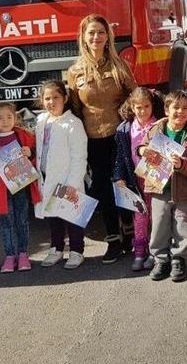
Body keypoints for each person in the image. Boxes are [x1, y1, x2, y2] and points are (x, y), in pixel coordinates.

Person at [67, 14, 137, 264]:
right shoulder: (75, 73)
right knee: (103, 189)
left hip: (119, 136)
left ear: (108, 36)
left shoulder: (120, 67)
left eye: (100, 32)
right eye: (91, 33)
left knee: (124, 184)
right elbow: (75, 109)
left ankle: (130, 232)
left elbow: (135, 98)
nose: (96, 37)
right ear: (83, 38)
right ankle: (113, 240)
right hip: (93, 139)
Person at [139, 90, 187, 282]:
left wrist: (182, 164)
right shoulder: (156, 129)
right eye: (176, 107)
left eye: (185, 108)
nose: (180, 112)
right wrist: (143, 150)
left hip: (185, 190)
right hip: (159, 188)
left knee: (183, 225)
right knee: (159, 224)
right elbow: (143, 146)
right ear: (167, 109)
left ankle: (178, 258)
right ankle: (161, 259)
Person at [36, 81, 89, 270]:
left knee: (72, 216)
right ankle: (56, 248)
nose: (51, 102)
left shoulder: (73, 123)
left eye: (55, 97)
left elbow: (79, 156)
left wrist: (73, 183)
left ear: (65, 98)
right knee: (53, 216)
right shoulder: (41, 121)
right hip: (47, 178)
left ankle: (76, 251)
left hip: (67, 179)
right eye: (47, 98)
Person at [0, 102, 40, 274]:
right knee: (6, 223)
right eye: (0, 117)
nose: (5, 121)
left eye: (9, 116)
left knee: (22, 220)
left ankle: (23, 254)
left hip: (20, 185)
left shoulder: (24, 136)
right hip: (0, 189)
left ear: (16, 118)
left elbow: (37, 158)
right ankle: (9, 256)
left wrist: (30, 154)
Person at [112, 87, 164, 271]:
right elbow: (120, 156)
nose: (142, 111)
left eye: (146, 106)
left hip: (155, 179)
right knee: (140, 216)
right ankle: (139, 251)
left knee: (156, 216)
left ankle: (154, 252)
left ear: (152, 105)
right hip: (135, 180)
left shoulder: (159, 125)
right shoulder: (125, 129)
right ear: (131, 107)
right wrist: (119, 176)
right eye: (138, 107)